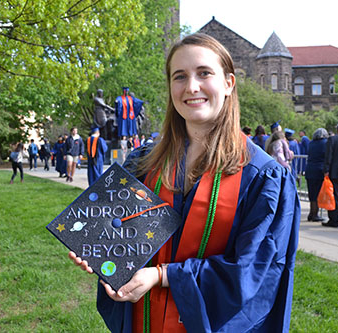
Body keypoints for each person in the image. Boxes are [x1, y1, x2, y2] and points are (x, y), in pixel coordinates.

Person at [68, 33, 300, 332]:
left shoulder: (263, 176)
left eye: (204, 73)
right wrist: (99, 254)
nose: (191, 86)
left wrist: (162, 276)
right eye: (180, 77)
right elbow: (114, 235)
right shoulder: (144, 160)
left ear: (229, 83)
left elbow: (254, 271)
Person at [305, 128, 328, 222]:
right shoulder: (326, 143)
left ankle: (311, 212)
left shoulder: (311, 143)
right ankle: (315, 214)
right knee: (317, 193)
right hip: (319, 170)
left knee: (312, 193)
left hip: (310, 169)